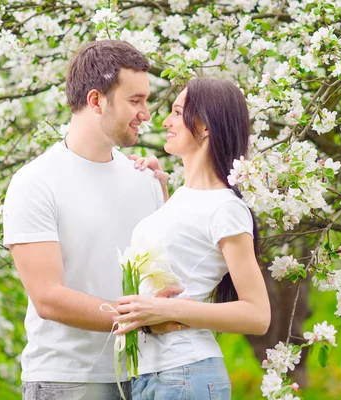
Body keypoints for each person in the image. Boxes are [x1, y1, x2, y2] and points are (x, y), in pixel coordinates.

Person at [3, 40, 180, 400]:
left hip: (147, 377)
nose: (146, 113)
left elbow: (165, 274)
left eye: (146, 100)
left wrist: (166, 199)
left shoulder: (145, 180)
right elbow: (48, 298)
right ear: (97, 101)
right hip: (68, 379)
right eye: (135, 101)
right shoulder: (35, 182)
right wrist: (143, 316)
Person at [114, 79, 272, 400]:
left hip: (186, 373)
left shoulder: (225, 207)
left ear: (204, 126)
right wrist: (159, 187)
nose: (165, 122)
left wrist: (165, 311)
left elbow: (258, 315)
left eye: (176, 113)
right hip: (150, 375)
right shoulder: (184, 197)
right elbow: (181, 258)